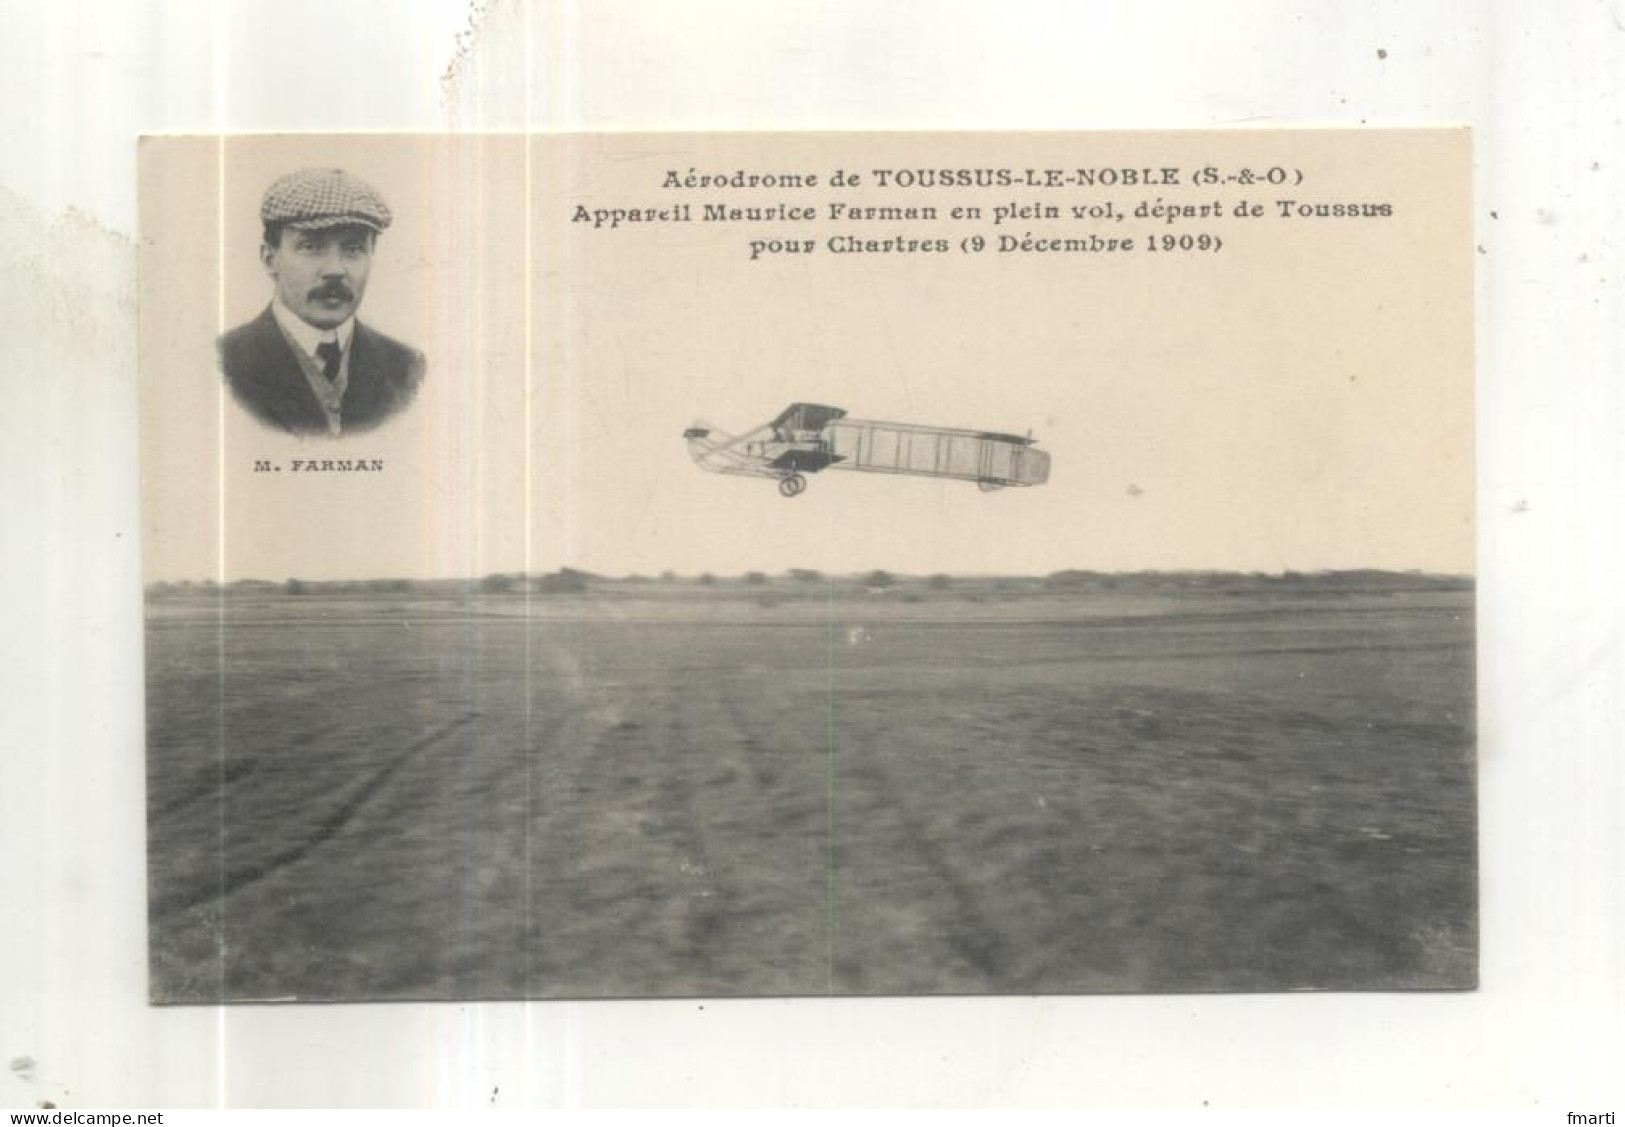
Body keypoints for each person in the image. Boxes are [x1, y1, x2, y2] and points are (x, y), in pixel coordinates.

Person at [218, 168, 424, 436]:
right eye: (311, 247)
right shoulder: (224, 366)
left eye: (353, 249)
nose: (335, 270)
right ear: (270, 259)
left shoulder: (407, 368)